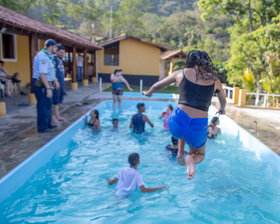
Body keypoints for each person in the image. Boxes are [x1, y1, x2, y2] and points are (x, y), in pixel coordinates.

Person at [143, 50, 226, 180]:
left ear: (189, 61)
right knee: (200, 154)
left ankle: (180, 152)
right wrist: (222, 109)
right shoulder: (214, 80)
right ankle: (190, 159)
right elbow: (223, 100)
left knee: (182, 126)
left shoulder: (181, 73)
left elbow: (157, 85)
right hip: (198, 125)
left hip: (177, 122)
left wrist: (148, 93)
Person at [32, 39, 60, 132]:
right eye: (55, 47)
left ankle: (48, 123)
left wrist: (55, 80)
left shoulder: (49, 56)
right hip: (41, 84)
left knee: (48, 104)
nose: (56, 49)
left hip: (48, 82)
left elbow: (51, 71)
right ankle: (42, 127)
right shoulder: (42, 56)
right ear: (51, 46)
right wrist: (48, 88)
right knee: (43, 105)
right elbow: (42, 74)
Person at [52, 44, 66, 123]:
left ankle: (57, 115)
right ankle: (53, 117)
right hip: (56, 83)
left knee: (58, 101)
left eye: (63, 53)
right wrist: (55, 81)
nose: (62, 54)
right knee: (54, 101)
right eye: (60, 52)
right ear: (56, 51)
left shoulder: (60, 60)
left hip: (61, 83)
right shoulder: (53, 60)